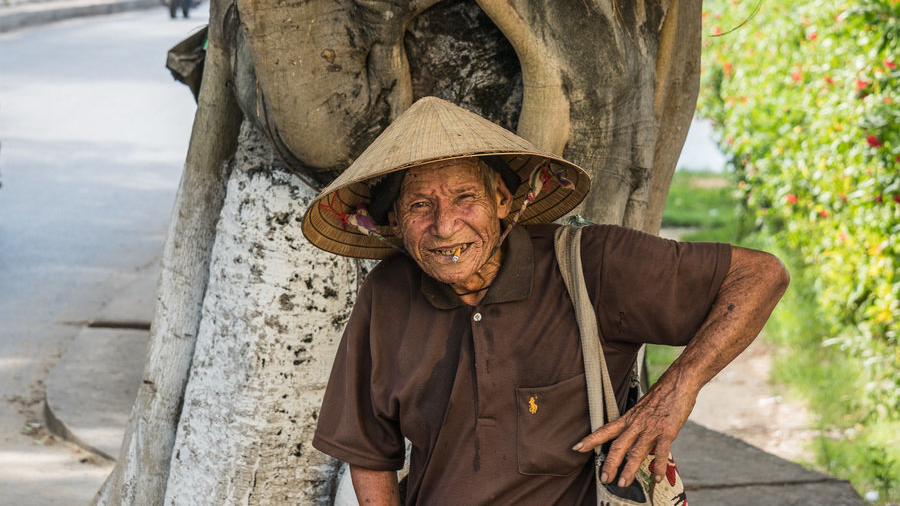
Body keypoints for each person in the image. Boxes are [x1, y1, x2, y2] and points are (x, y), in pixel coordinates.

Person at [301, 96, 789, 504]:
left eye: (465, 198)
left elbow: (761, 275)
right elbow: (369, 453)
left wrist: (676, 391)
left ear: (502, 200)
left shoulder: (592, 264)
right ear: (395, 223)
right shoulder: (387, 294)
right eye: (420, 205)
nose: (445, 226)